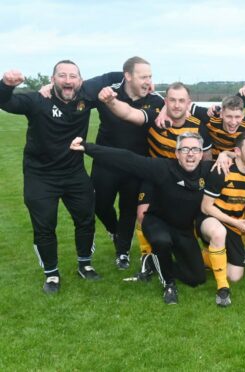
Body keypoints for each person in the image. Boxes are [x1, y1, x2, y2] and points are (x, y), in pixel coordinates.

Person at [0, 62, 122, 293]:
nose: (68, 80)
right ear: (52, 79)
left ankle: (84, 265)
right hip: (40, 175)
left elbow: (116, 76)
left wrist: (142, 81)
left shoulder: (86, 93)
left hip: (74, 173)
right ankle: (51, 274)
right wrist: (5, 85)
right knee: (45, 226)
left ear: (81, 79)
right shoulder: (38, 100)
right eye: (62, 76)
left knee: (85, 219)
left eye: (73, 76)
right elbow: (6, 102)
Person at [71, 132, 212, 305]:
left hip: (183, 230)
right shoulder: (162, 167)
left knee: (197, 278)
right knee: (162, 241)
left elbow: (241, 160)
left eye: (195, 149)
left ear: (201, 153)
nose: (190, 154)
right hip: (156, 222)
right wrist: (87, 147)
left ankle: (153, 260)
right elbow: (126, 158)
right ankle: (169, 284)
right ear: (177, 153)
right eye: (185, 149)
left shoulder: (208, 170)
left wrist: (227, 155)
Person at [98, 82, 211, 280]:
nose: (177, 105)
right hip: (156, 177)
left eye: (181, 101)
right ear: (166, 102)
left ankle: (179, 250)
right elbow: (127, 114)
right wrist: (111, 100)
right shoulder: (155, 119)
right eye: (172, 100)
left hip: (185, 178)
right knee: (142, 214)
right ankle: (146, 256)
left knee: (187, 218)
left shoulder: (199, 126)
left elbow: (207, 159)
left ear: (188, 103)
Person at [91, 56, 165, 270]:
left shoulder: (156, 100)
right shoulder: (106, 92)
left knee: (129, 209)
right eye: (143, 77)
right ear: (128, 76)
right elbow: (76, 93)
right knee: (100, 205)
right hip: (106, 162)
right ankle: (114, 231)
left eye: (150, 76)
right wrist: (49, 87)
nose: (147, 81)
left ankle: (122, 251)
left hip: (136, 164)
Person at [199, 131, 245, 301]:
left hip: (235, 223)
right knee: (219, 232)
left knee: (235, 275)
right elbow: (206, 207)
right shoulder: (222, 170)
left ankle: (204, 257)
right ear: (238, 152)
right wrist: (237, 223)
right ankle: (222, 287)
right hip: (211, 219)